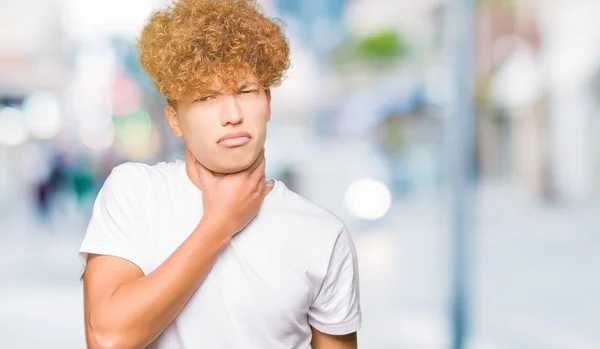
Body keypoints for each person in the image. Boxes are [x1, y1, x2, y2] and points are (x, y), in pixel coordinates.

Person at [78, 1, 362, 348]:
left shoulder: (323, 235)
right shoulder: (136, 193)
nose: (232, 114)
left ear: (268, 102)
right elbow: (107, 337)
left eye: (245, 91)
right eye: (207, 97)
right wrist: (220, 223)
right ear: (174, 120)